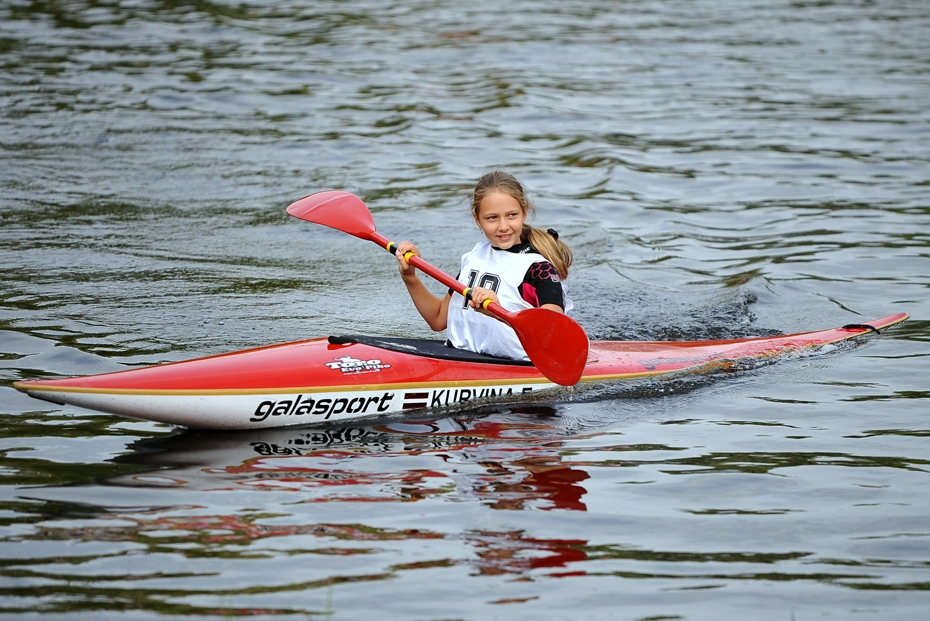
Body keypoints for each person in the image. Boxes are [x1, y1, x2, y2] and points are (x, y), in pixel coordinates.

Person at [394, 171, 574, 361]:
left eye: (511, 215)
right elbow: (438, 319)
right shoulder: (473, 257)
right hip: (460, 357)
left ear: (524, 213)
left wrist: (500, 313)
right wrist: (409, 277)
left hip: (516, 366)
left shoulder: (538, 268)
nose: (503, 226)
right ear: (477, 219)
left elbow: (553, 333)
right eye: (492, 218)